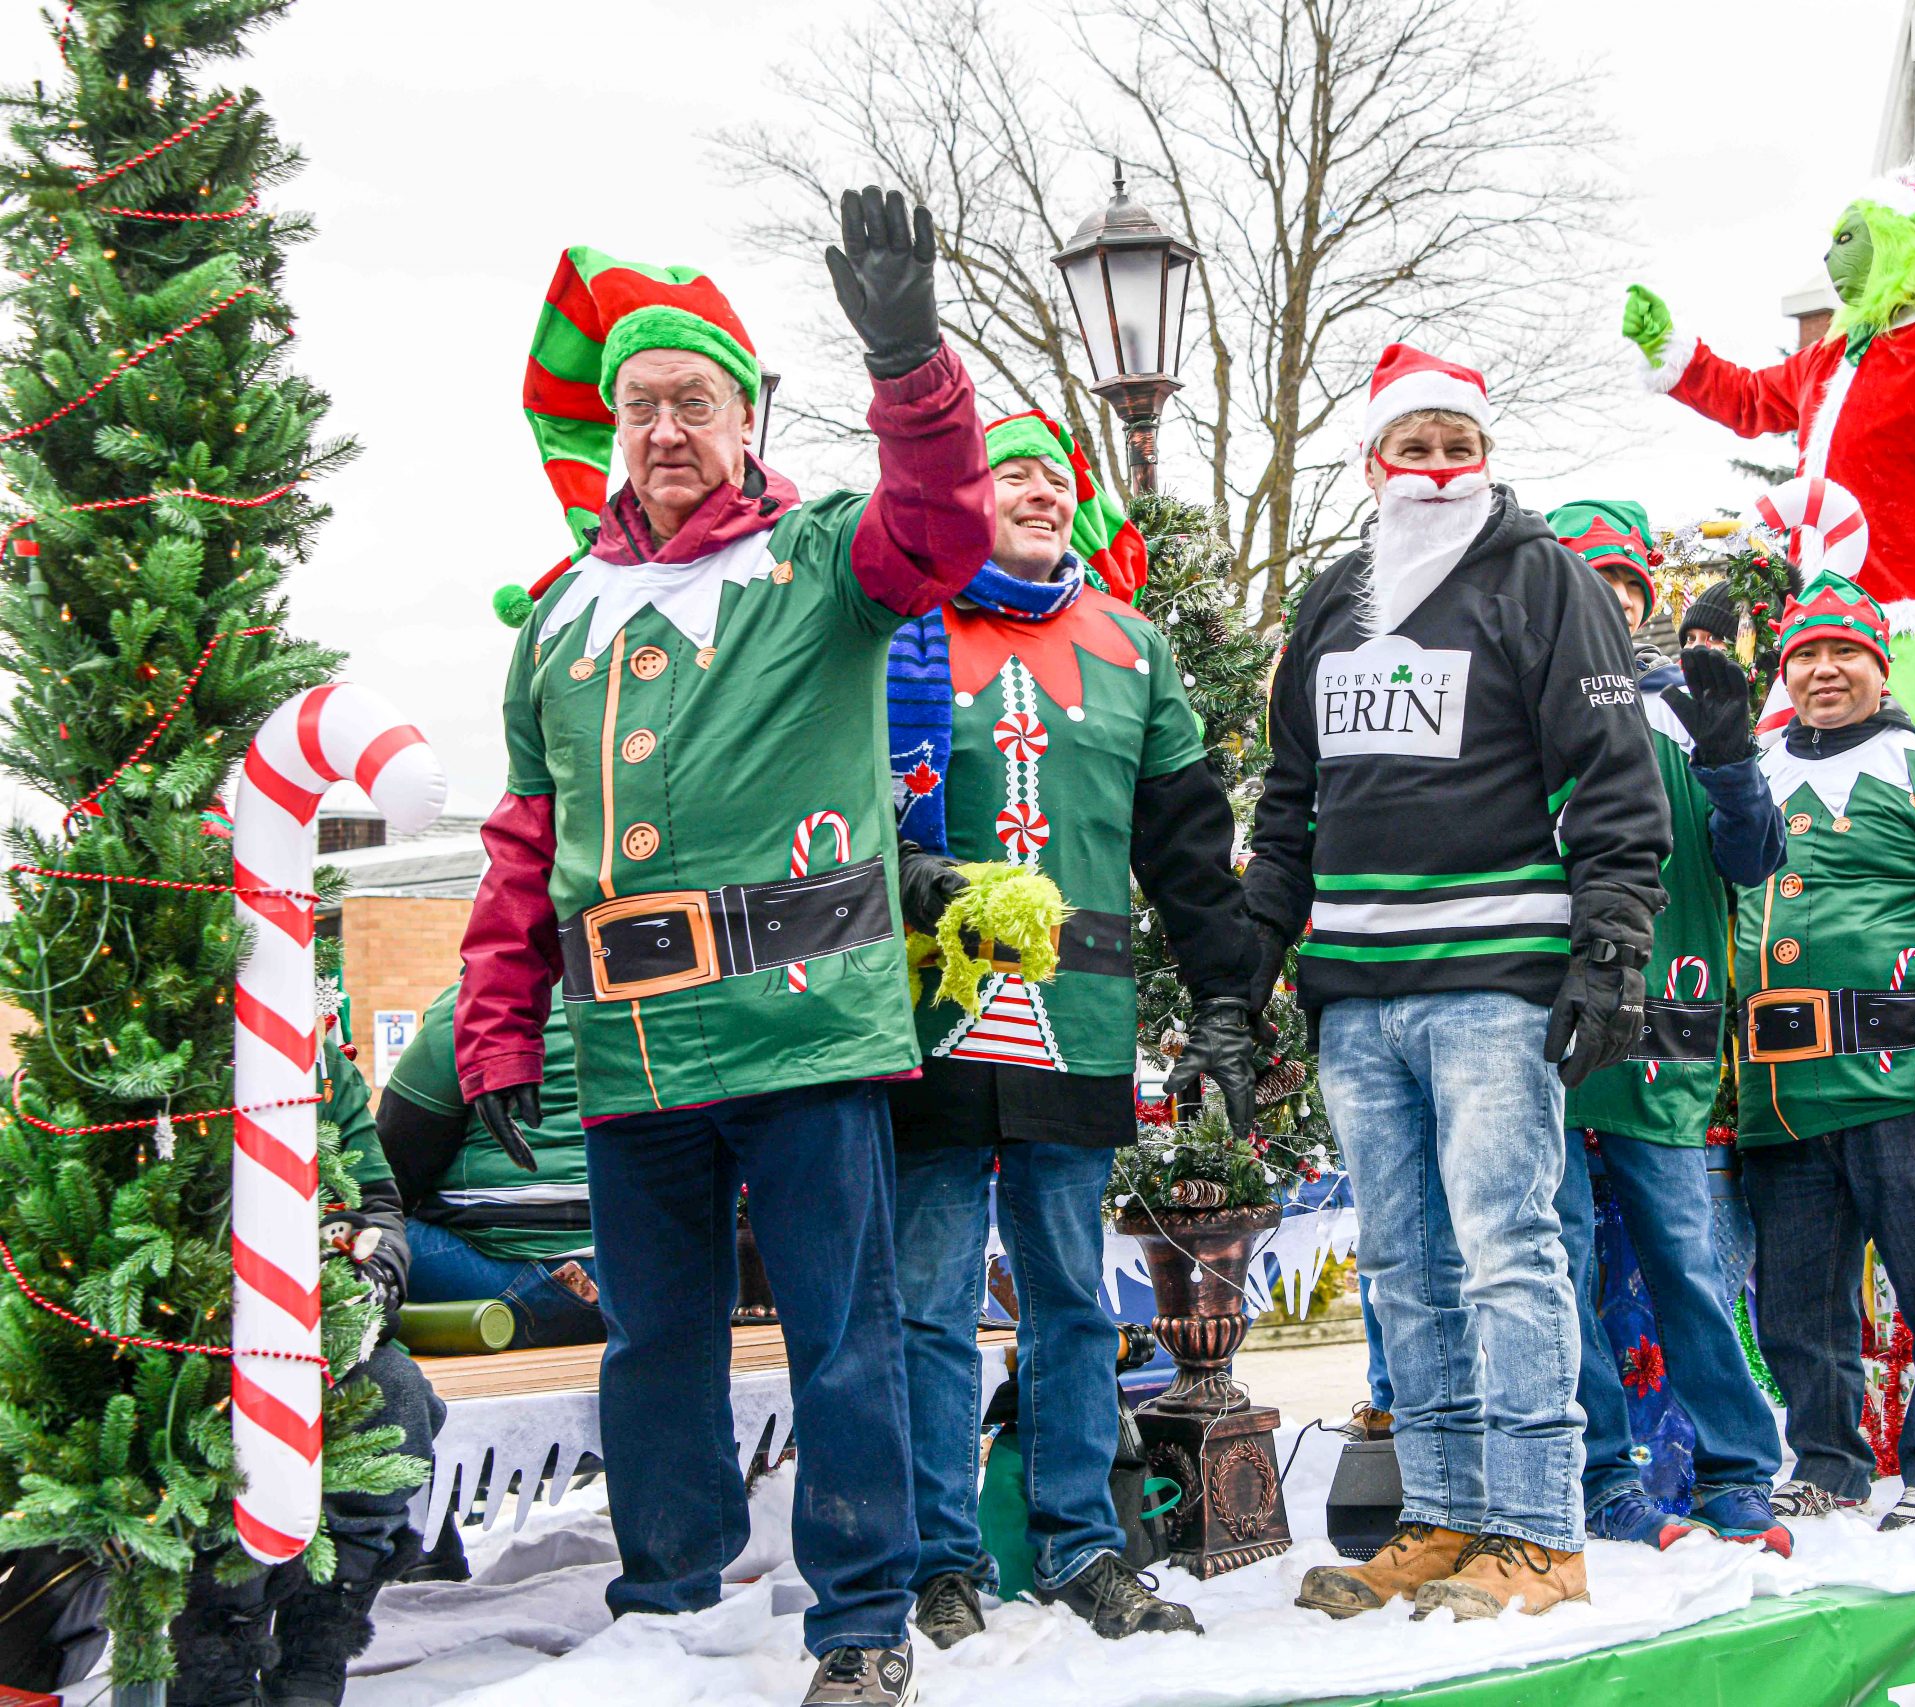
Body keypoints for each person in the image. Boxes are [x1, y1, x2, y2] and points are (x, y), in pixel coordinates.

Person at [458, 188, 992, 1707]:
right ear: (614, 429)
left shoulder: (824, 561)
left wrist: (909, 359)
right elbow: (522, 840)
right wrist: (501, 1024)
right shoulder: (560, 614)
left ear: (749, 422)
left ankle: (863, 1619)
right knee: (655, 1347)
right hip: (632, 1048)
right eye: (640, 406)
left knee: (842, 1338)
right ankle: (667, 1604)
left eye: (695, 400)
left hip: (804, 1026)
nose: (665, 427)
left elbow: (944, 519)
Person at [1253, 346, 1672, 1622]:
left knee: (1507, 1252)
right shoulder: (1334, 599)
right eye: (1411, 445)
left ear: (1484, 455)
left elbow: (1615, 779)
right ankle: (1437, 1515)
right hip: (1358, 993)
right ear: (1372, 461)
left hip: (1493, 980)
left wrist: (1609, 948)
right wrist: (1242, 976)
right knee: (1400, 1264)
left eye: (1456, 444)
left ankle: (1539, 1531)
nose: (1435, 468)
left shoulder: (1541, 580)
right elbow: (1286, 807)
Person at [886, 409, 1258, 1647]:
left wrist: (1223, 1000)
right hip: (929, 1017)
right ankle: (939, 1560)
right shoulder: (900, 630)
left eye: (1056, 476)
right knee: (930, 1300)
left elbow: (1192, 854)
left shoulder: (1136, 649)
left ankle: (1080, 1548)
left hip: (1077, 1020)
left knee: (1068, 1297)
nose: (1038, 491)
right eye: (1011, 474)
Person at [1733, 569, 1915, 1530]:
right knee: (1796, 1305)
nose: (1824, 670)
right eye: (1806, 654)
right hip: (1780, 1096)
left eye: (1843, 652)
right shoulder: (1753, 773)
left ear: (1878, 663)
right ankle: (1828, 1461)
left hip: (1899, 1076)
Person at [1544, 500, 1792, 1555]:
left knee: (1687, 1263)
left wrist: (1733, 759)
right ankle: (1601, 1474)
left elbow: (1756, 861)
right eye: (1586, 585)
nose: (1609, 603)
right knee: (1555, 1267)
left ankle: (1737, 1471)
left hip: (1668, 1035)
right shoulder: (1523, 706)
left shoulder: (1690, 711)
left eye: (1625, 588)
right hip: (1547, 1034)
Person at [1622, 174, 1915, 762]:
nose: (1832, 257)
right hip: (1822, 607)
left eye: (1848, 238)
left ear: (1895, 243)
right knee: (1810, 771)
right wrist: (1674, 353)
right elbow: (1750, 398)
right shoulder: (1831, 356)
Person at [172, 1031, 441, 1707]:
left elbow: (376, 1205)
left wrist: (372, 1276)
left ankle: (318, 1641)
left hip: (315, 1326)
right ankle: (215, 1649)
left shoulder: (319, 1069)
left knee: (399, 1395)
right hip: (174, 1337)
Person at [378, 980, 602, 1347]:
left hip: (502, 1275)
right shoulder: (648, 994)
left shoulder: (471, 1002)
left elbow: (395, 1162)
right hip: (642, 1277)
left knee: (363, 1235)